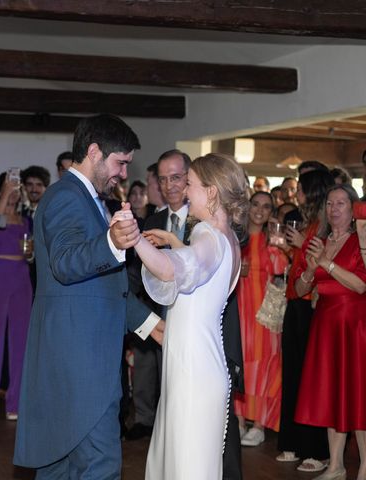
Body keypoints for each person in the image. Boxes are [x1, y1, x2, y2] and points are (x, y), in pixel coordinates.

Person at [14, 114, 161, 478]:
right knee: (99, 464)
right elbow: (66, 263)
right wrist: (111, 242)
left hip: (74, 356)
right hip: (82, 364)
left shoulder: (87, 198)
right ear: (94, 151)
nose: (124, 174)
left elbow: (103, 285)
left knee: (60, 464)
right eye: (121, 162)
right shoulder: (67, 196)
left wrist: (152, 324)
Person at [121, 152, 248, 479]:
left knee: (186, 467)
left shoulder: (207, 234)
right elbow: (198, 276)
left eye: (190, 184)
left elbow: (170, 270)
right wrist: (176, 243)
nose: (185, 192)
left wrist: (133, 237)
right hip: (199, 365)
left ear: (212, 192)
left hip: (193, 371)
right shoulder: (228, 238)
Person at [294, 185, 366, 480]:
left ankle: (364, 467)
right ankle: (335, 465)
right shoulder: (318, 240)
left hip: (355, 325)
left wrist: (326, 263)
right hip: (325, 325)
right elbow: (300, 290)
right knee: (331, 393)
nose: (334, 208)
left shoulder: (361, 240)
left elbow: (361, 285)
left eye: (341, 203)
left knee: (359, 395)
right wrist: (311, 270)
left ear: (352, 210)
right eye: (330, 203)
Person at [125, 148, 191, 441]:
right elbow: (138, 270)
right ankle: (148, 422)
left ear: (190, 178)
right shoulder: (152, 220)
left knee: (181, 385)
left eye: (176, 177)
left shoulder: (203, 222)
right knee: (147, 370)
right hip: (154, 309)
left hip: (189, 314)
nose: (169, 185)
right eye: (163, 179)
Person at [278, 169, 334, 472]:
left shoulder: (321, 228)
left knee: (312, 380)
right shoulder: (307, 223)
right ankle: (294, 442)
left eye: (300, 189)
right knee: (294, 376)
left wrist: (299, 246)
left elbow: (318, 270)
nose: (295, 194)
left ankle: (317, 449)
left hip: (312, 306)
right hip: (295, 302)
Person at [235, 191, 289, 446]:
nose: (259, 210)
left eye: (266, 207)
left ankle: (259, 423)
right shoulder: (235, 237)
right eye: (255, 204)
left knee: (265, 367)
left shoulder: (273, 241)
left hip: (265, 315)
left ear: (272, 212)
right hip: (238, 310)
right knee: (239, 364)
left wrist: (283, 250)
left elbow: (281, 273)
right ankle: (238, 420)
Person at [0, 173, 33, 421]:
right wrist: (5, 192)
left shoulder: (26, 220)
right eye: (8, 188)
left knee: (20, 343)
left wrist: (30, 253)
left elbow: (31, 253)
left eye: (16, 188)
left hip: (21, 277)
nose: (13, 192)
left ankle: (15, 402)